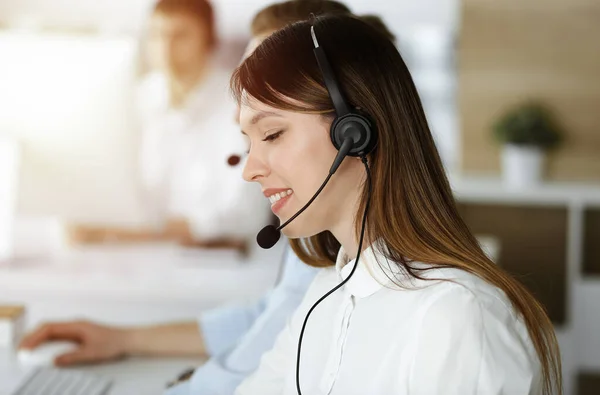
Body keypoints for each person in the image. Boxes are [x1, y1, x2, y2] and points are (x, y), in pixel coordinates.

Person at [19, 3, 397, 395]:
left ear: (349, 131)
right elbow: (267, 321)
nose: (239, 113)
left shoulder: (413, 300)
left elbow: (241, 234)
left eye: (271, 130)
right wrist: (123, 339)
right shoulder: (327, 264)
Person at [232, 15, 562, 395]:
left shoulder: (457, 318)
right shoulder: (324, 298)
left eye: (272, 134)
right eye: (248, 143)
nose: (250, 170)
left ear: (353, 133)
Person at [67, 0, 271, 252]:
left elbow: (243, 219)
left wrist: (123, 232)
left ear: (209, 40)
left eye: (180, 36)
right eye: (156, 36)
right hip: (143, 256)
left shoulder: (239, 108)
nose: (165, 48)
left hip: (220, 261)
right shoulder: (136, 101)